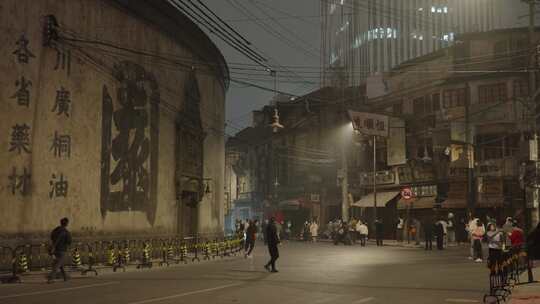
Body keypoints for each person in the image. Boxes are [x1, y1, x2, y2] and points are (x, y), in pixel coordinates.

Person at [47, 217, 72, 283]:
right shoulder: (66, 232)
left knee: (59, 264)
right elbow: (69, 241)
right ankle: (51, 278)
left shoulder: (55, 230)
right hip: (62, 250)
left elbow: (51, 236)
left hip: (55, 250)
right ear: (66, 224)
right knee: (57, 265)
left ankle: (65, 277)